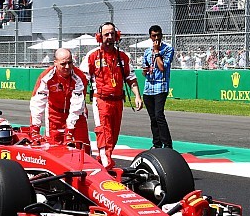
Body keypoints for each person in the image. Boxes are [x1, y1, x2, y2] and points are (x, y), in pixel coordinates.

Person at [80, 22, 143, 171]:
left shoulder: (123, 57)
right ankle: (106, 163)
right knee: (103, 131)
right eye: (106, 35)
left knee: (113, 135)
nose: (109, 37)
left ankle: (102, 160)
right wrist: (81, 102)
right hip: (101, 100)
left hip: (118, 101)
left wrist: (137, 96)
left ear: (117, 36)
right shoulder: (92, 56)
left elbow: (131, 78)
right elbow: (82, 81)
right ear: (99, 37)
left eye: (112, 34)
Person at [29, 48, 90, 149]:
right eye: (63, 64)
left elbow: (77, 106)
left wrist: (69, 131)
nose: (67, 67)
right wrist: (35, 129)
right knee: (52, 148)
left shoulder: (80, 77)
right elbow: (37, 104)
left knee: (83, 146)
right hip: (54, 115)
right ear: (55, 63)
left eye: (70, 63)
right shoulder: (46, 77)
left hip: (77, 115)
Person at [141, 25, 174, 149]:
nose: (156, 38)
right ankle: (157, 144)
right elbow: (145, 71)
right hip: (149, 87)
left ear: (162, 35)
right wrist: (145, 70)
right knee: (153, 118)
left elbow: (162, 67)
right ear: (150, 36)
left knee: (159, 115)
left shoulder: (168, 49)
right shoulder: (147, 52)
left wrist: (156, 52)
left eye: (158, 35)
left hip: (161, 86)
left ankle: (168, 144)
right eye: (154, 36)